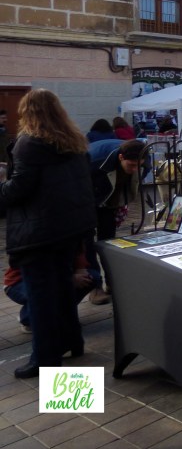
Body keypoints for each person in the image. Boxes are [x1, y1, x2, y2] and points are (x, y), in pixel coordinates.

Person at [0, 89, 97, 378]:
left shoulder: (28, 142)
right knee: (63, 290)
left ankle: (45, 358)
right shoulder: (74, 140)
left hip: (39, 232)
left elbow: (19, 189)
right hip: (70, 229)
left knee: (42, 296)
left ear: (27, 112)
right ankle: (71, 341)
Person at [88, 138, 144, 304]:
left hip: (109, 199)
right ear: (121, 158)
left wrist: (120, 203)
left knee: (108, 241)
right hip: (88, 197)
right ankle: (95, 287)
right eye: (131, 165)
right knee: (88, 244)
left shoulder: (142, 158)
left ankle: (112, 283)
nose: (135, 169)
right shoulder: (95, 162)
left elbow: (132, 179)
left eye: (138, 166)